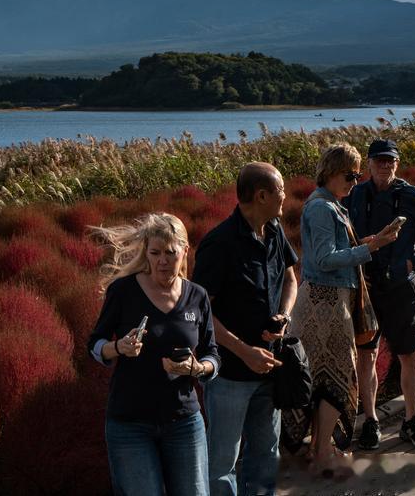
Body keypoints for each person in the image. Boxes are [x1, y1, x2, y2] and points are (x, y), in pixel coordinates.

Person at [284, 144, 402, 478]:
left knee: (327, 378)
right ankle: (322, 454)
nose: (355, 181)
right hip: (325, 304)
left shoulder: (330, 204)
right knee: (337, 378)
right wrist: (371, 247)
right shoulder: (322, 208)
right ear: (331, 172)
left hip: (331, 302)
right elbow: (323, 259)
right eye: (350, 175)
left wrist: (373, 239)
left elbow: (336, 252)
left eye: (357, 175)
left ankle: (319, 449)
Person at [89, 213, 220, 496]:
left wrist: (198, 368)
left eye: (171, 252)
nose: (163, 260)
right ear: (145, 253)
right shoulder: (123, 291)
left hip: (184, 421)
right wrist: (117, 348)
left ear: (185, 251)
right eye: (155, 252)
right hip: (130, 424)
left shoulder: (197, 296)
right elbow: (94, 344)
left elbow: (212, 354)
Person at [192, 162, 298, 496]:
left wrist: (283, 316)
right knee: (223, 463)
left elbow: (292, 279)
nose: (286, 196)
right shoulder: (218, 244)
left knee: (266, 456)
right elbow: (200, 311)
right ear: (261, 195)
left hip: (269, 369)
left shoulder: (275, 229)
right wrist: (244, 351)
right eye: (280, 189)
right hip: (229, 376)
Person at [349, 139, 415, 452]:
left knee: (409, 354)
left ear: (397, 163)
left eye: (390, 160)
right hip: (365, 288)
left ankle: (411, 420)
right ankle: (371, 420)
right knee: (367, 356)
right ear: (368, 163)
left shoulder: (411, 195)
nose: (384, 166)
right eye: (379, 160)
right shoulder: (355, 194)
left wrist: (413, 261)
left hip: (401, 287)